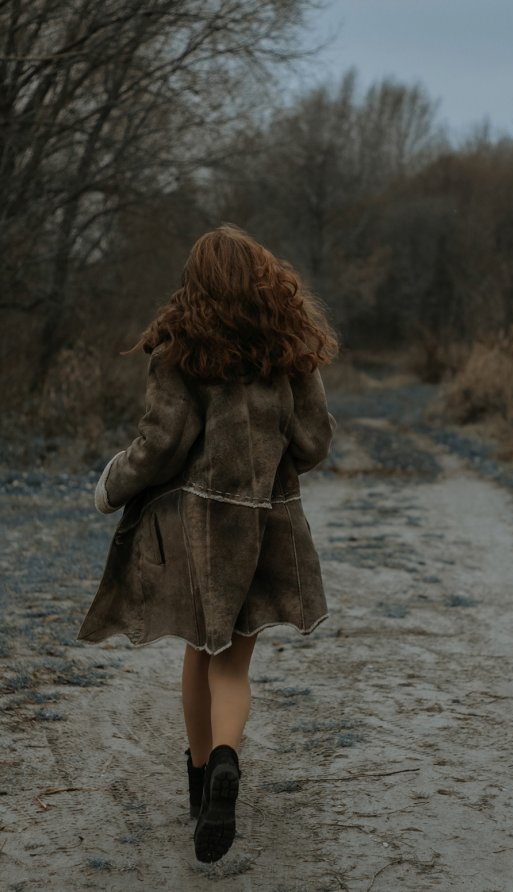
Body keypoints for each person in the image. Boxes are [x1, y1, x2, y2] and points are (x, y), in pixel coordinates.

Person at [78, 223, 338, 863]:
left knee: (200, 653)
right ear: (264, 280)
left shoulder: (180, 348)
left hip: (199, 527)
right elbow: (314, 442)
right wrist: (270, 467)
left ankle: (202, 787)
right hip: (266, 523)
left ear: (196, 284)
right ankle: (226, 758)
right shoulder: (288, 350)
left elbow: (162, 444)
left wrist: (112, 484)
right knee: (234, 665)